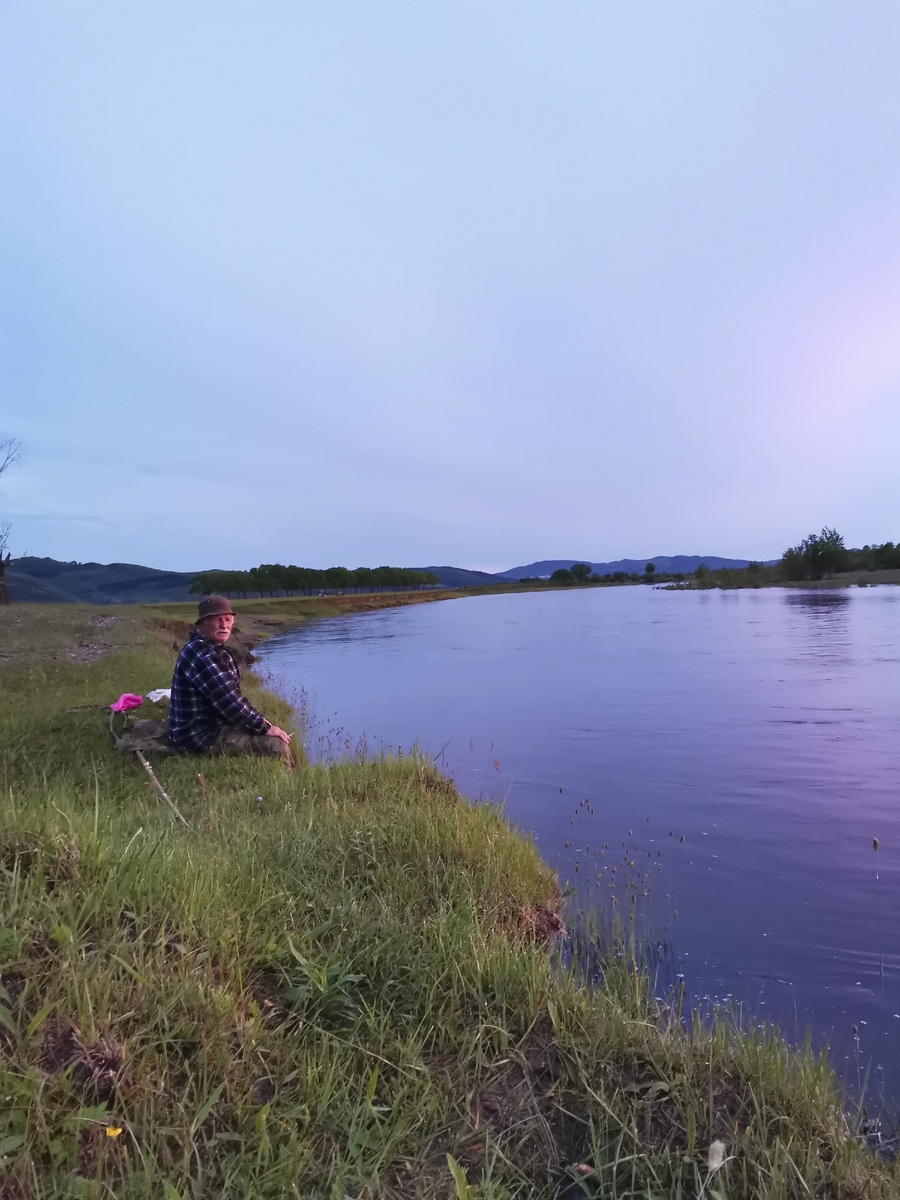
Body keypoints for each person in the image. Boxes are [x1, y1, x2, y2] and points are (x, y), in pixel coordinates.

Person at [167, 595, 294, 767]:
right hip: (198, 736)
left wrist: (261, 721)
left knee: (259, 727)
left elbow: (232, 696)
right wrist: (263, 727)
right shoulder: (203, 655)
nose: (224, 625)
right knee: (277, 745)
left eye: (228, 619)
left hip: (203, 726)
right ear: (202, 622)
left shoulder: (208, 647)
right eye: (217, 620)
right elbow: (229, 701)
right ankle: (289, 786)